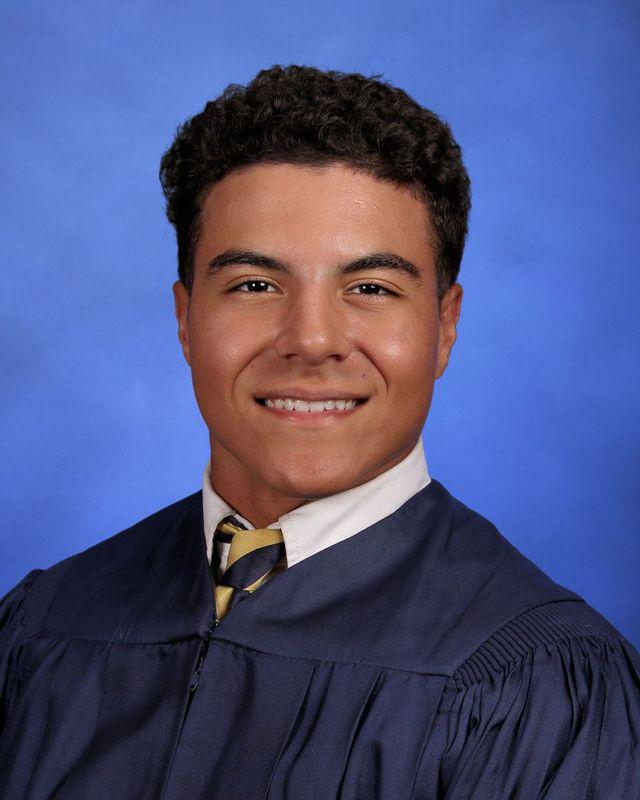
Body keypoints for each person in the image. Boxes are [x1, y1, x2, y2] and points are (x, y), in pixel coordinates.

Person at [1, 64, 638, 799]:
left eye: (370, 288)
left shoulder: (540, 686)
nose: (310, 340)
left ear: (445, 327)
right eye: (255, 285)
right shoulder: (44, 628)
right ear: (184, 318)